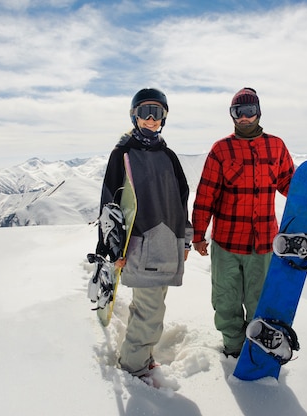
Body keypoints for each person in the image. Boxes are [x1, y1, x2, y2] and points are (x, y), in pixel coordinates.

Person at [191, 87, 307, 358]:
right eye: (239, 112)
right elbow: (206, 195)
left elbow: (289, 185)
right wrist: (198, 235)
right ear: (232, 116)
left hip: (262, 243)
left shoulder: (276, 146)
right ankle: (234, 348)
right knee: (226, 302)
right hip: (226, 242)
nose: (245, 118)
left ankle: (256, 349)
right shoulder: (221, 150)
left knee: (259, 301)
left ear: (258, 112)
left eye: (249, 111)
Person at [96, 87, 193, 378]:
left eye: (157, 113)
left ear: (164, 118)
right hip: (139, 246)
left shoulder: (169, 156)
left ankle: (142, 356)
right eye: (144, 113)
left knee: (151, 307)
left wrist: (184, 241)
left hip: (167, 244)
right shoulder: (123, 153)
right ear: (134, 116)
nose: (151, 120)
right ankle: (133, 369)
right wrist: (111, 249)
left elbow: (181, 199)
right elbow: (110, 202)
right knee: (150, 313)